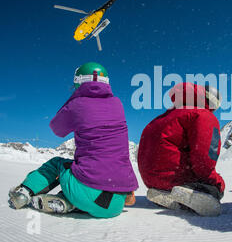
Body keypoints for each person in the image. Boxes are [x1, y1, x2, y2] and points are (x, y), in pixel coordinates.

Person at [8, 62, 138, 218]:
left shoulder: (77, 104)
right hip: (115, 204)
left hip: (85, 192)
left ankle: (23, 193)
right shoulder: (118, 104)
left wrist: (74, 100)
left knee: (58, 164)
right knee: (95, 172)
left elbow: (56, 128)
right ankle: (67, 202)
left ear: (79, 81)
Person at [137, 82, 225, 216]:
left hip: (151, 180)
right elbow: (204, 160)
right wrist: (218, 181)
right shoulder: (204, 116)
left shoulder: (161, 118)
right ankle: (190, 193)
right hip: (177, 178)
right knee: (215, 189)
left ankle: (169, 194)